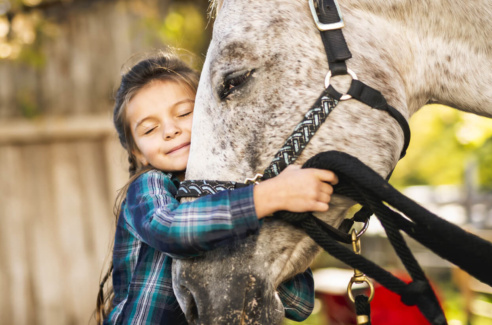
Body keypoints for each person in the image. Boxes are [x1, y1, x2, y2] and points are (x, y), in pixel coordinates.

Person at [95, 53, 338, 324]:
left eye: (184, 113)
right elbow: (170, 229)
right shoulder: (148, 186)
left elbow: (300, 303)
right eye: (150, 129)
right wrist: (270, 196)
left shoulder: (237, 192)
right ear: (137, 152)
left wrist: (279, 212)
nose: (170, 130)